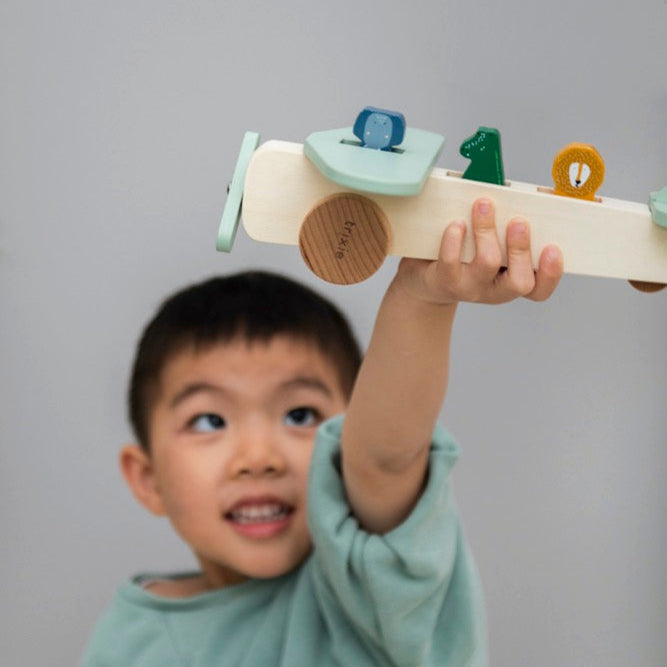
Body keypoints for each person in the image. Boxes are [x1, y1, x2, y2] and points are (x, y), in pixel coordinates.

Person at [78, 199, 563, 666]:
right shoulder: (129, 638)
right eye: (210, 421)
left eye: (300, 415)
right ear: (147, 479)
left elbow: (384, 457)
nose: (259, 456)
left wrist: (422, 297)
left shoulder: (376, 592)